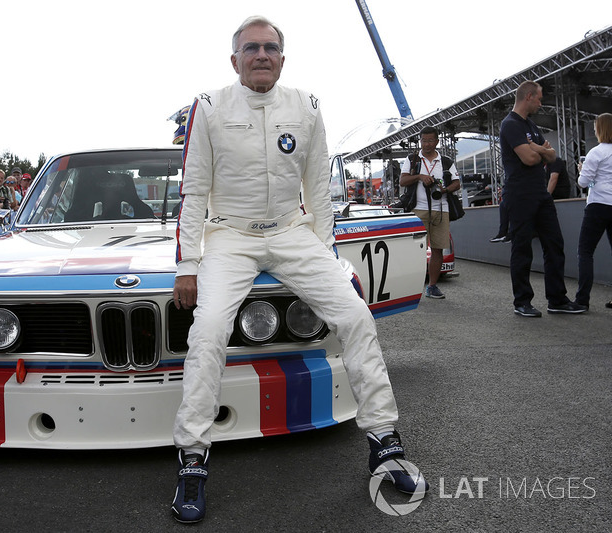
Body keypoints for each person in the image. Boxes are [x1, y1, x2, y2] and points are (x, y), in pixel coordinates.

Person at [170, 16, 427, 524]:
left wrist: (327, 253)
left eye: (270, 48)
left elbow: (319, 188)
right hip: (230, 235)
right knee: (209, 331)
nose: (261, 55)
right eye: (251, 48)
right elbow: (194, 190)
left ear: (283, 59)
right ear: (234, 60)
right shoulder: (209, 105)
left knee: (356, 317)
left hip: (293, 232)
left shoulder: (306, 106)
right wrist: (188, 264)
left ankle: (385, 440)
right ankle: (193, 457)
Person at [499, 80, 585, 317]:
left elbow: (553, 156)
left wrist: (537, 148)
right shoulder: (511, 124)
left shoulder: (531, 126)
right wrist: (540, 150)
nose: (541, 102)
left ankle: (557, 299)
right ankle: (522, 301)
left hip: (541, 195)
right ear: (528, 96)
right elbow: (529, 159)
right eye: (539, 98)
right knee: (522, 248)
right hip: (520, 195)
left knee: (554, 244)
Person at [399, 126, 461, 299]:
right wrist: (420, 177)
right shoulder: (412, 159)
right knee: (415, 250)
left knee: (438, 249)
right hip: (418, 208)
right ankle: (411, 286)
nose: (426, 144)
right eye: (423, 140)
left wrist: (444, 189)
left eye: (430, 140)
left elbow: (457, 183)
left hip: (441, 209)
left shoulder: (446, 161)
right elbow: (403, 181)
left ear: (437, 141)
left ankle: (432, 286)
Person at [575, 113, 612, 310]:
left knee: (586, 252)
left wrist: (583, 171)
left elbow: (583, 183)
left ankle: (582, 301)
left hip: (598, 205)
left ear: (599, 129)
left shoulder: (596, 153)